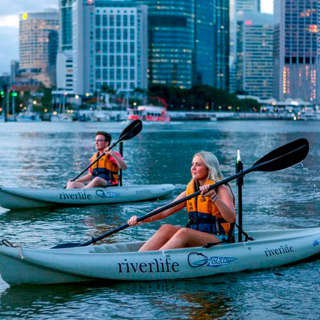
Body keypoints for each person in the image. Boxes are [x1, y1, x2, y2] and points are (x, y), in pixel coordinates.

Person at [128, 151, 235, 251]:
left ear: (209, 168)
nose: (193, 168)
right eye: (192, 164)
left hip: (220, 239)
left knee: (184, 232)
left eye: (198, 165)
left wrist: (214, 198)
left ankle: (155, 261)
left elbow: (231, 218)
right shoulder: (190, 192)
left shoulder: (221, 189)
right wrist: (141, 219)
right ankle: (139, 259)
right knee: (166, 228)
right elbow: (165, 211)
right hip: (198, 236)